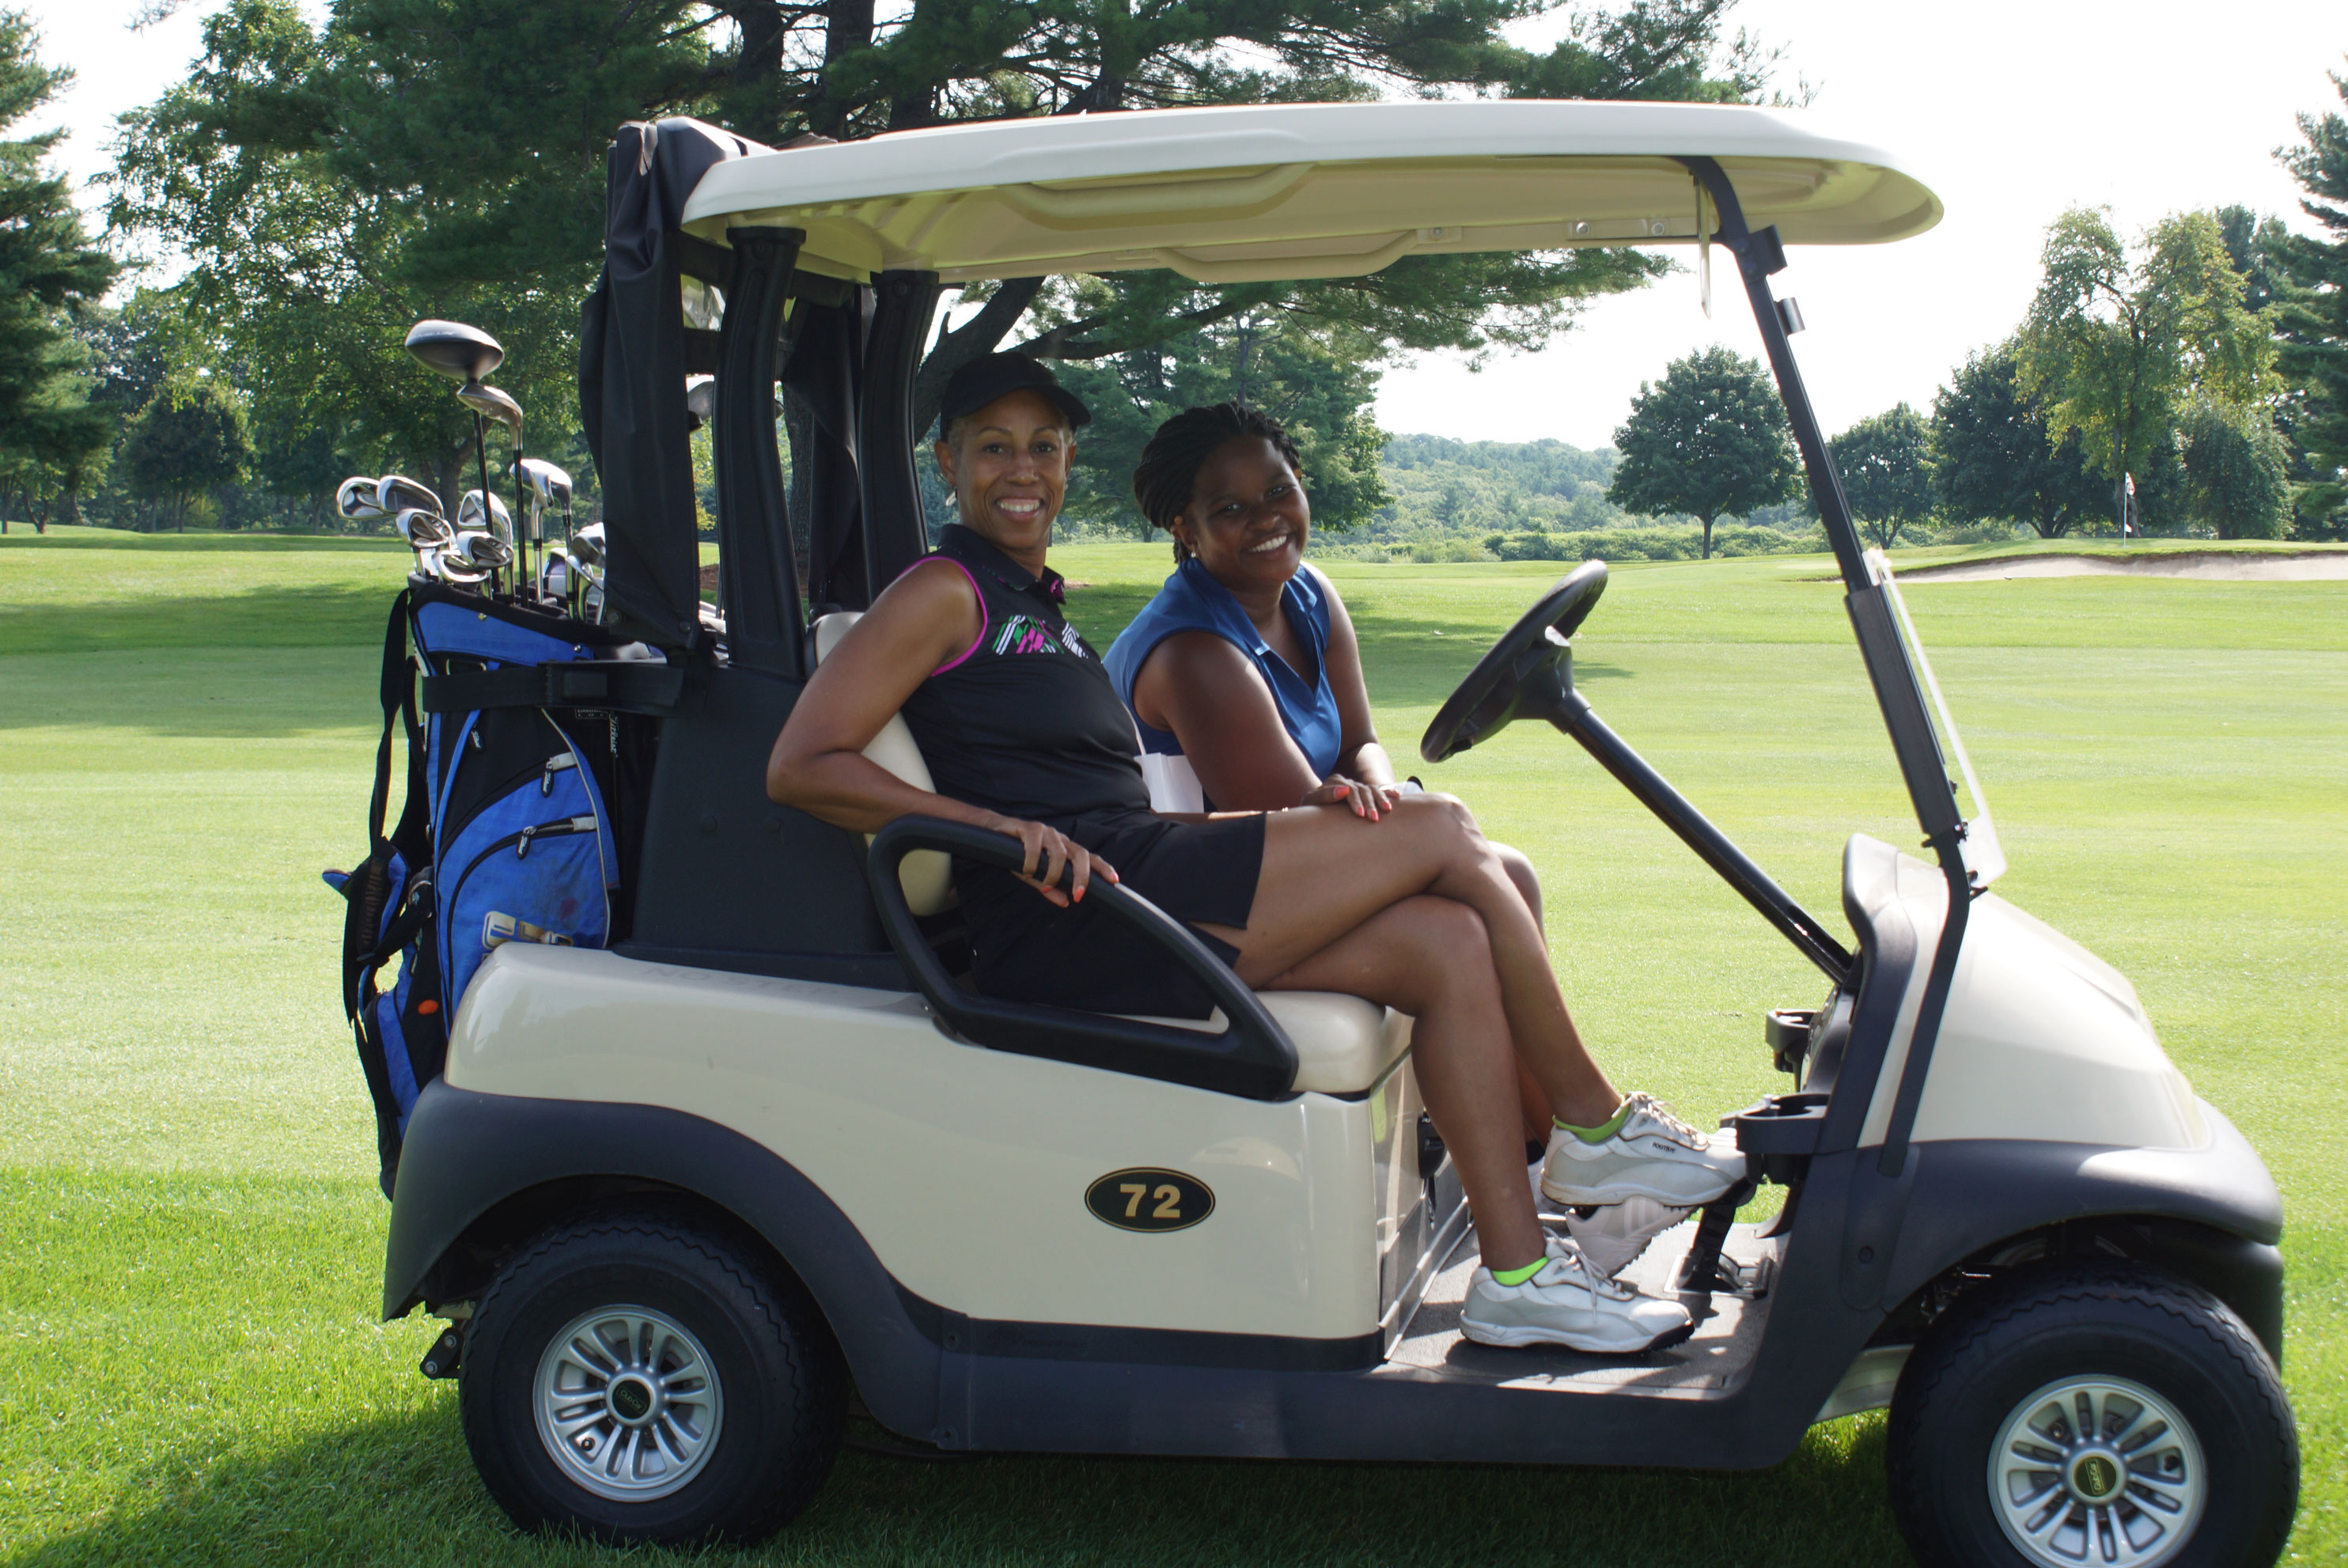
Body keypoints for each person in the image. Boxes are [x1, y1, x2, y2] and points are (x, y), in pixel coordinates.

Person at [767, 352, 1739, 1354]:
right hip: (1067, 918)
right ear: (948, 464)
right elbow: (802, 764)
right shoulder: (944, 589)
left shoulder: (1032, 604)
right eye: (995, 448)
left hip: (1123, 878)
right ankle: (1590, 1130)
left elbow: (1108, 796)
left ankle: (1520, 1277)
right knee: (1441, 826)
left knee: (1445, 942)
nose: (1025, 469)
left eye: (1045, 447)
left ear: (1066, 463)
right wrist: (991, 828)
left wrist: (1292, 808)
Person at [1101, 403, 1702, 1278]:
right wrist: (1401, 820)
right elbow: (1284, 818)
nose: (1266, 516)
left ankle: (1565, 1191)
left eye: (1278, 489)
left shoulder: (1306, 596)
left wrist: (1383, 792)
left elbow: (1358, 745)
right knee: (1454, 839)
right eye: (1229, 508)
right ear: (1184, 529)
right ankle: (1597, 1121)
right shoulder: (1193, 650)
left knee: (1505, 879)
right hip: (1190, 911)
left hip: (1266, 880)